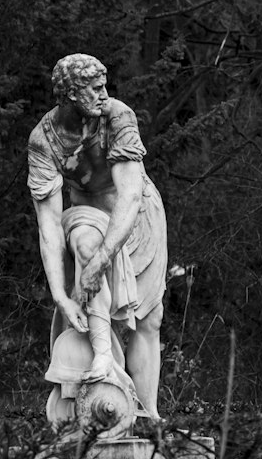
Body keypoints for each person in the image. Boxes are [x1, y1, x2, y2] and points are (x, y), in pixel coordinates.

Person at [27, 53, 167, 421]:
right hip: (89, 213)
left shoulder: (118, 116)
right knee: (87, 244)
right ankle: (102, 359)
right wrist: (60, 296)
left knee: (149, 319)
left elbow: (131, 195)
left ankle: (147, 415)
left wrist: (104, 259)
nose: (105, 94)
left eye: (105, 86)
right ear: (71, 94)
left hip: (137, 216)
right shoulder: (44, 140)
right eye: (95, 88)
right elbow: (48, 227)